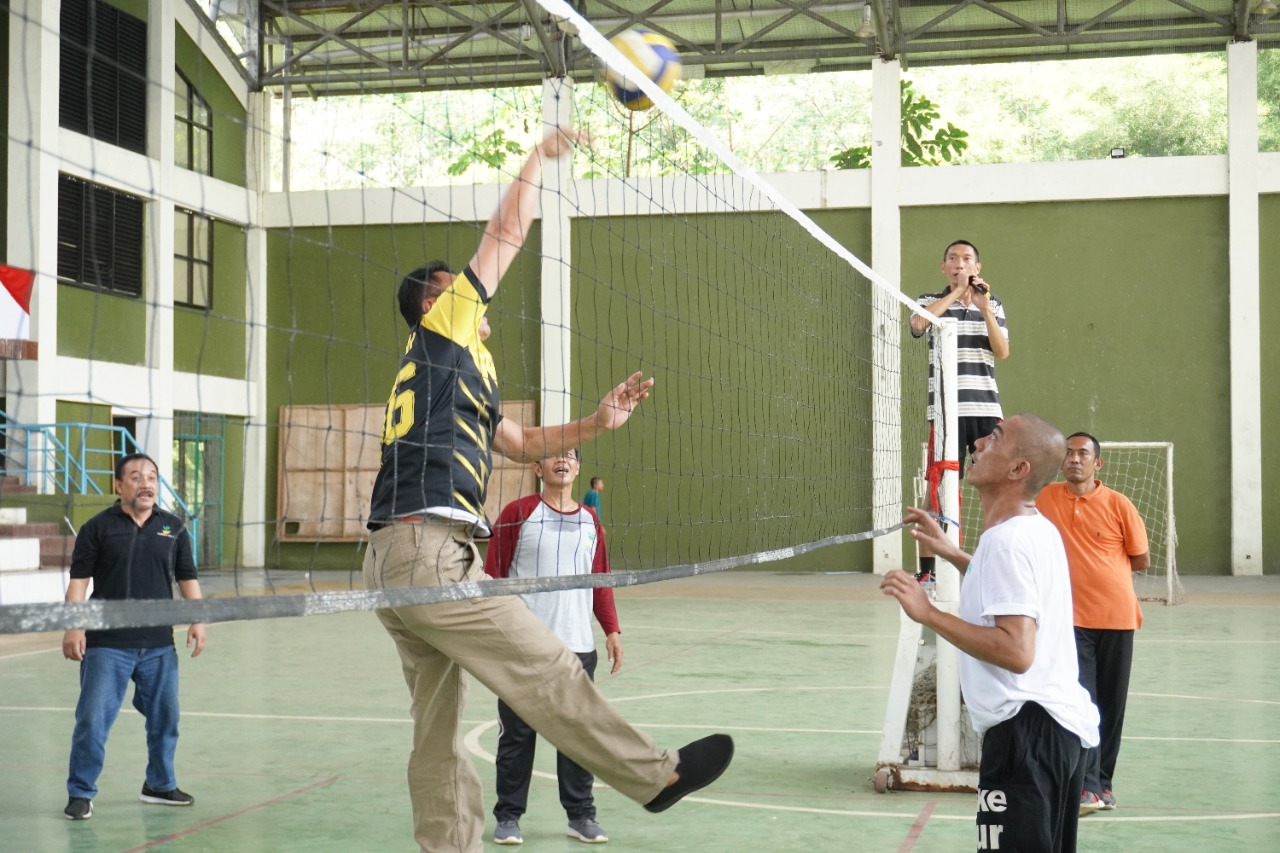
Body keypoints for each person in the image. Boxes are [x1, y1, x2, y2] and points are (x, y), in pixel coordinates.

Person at [363, 126, 733, 853]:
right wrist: (540, 157)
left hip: (391, 555)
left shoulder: (456, 373)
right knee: (546, 667)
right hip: (430, 550)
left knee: (435, 733)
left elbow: (526, 444)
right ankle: (655, 776)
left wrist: (597, 422)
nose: (470, 291)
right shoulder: (445, 334)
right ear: (433, 307)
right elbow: (506, 230)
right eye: (451, 289)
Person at [880, 415, 1099, 853]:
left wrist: (929, 613)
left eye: (995, 438)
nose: (978, 442)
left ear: (1019, 469)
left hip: (1026, 736)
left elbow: (1017, 650)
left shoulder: (1007, 544)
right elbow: (1007, 589)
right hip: (1057, 732)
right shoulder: (1034, 529)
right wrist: (955, 554)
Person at [61, 453, 206, 821]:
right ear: (118, 485)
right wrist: (74, 625)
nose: (147, 484)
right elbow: (79, 582)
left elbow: (187, 577)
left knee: (165, 717)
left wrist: (198, 619)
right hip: (108, 643)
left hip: (159, 643)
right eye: (137, 477)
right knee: (93, 720)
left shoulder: (173, 527)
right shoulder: (97, 527)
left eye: (153, 477)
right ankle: (81, 792)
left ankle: (159, 785)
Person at [485, 449, 619, 845]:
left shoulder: (591, 519)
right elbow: (493, 574)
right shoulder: (518, 512)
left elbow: (600, 578)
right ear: (537, 467)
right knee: (516, 737)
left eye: (571, 455)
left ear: (578, 467)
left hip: (577, 646)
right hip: (524, 646)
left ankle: (581, 815)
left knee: (577, 735)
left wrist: (611, 629)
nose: (563, 460)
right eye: (553, 455)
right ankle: (508, 817)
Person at [1035, 432, 1149, 815]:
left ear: (1097, 463)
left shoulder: (1119, 504)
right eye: (1068, 453)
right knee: (1084, 701)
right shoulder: (1046, 498)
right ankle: (1085, 786)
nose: (1074, 459)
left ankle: (1103, 784)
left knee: (1112, 706)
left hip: (1117, 618)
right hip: (1071, 621)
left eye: (1083, 453)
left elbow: (1140, 558)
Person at [909, 240, 1010, 584]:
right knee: (935, 488)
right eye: (953, 259)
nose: (959, 263)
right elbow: (918, 325)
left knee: (996, 486)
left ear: (977, 267)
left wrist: (982, 307)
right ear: (944, 267)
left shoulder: (992, 304)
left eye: (967, 259)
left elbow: (1002, 351)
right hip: (946, 412)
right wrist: (956, 293)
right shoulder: (929, 301)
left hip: (985, 407)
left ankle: (992, 564)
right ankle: (927, 572)